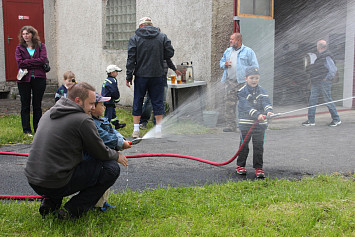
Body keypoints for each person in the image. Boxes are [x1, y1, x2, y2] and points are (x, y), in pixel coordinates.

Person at [24, 82, 128, 219]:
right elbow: (100, 152)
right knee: (110, 168)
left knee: (64, 162)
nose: (92, 108)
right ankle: (72, 210)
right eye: (91, 103)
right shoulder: (82, 120)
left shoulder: (49, 113)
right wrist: (116, 155)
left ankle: (50, 203)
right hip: (55, 182)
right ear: (78, 100)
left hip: (33, 179)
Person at [126, 17, 174, 138]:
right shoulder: (162, 37)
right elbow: (170, 53)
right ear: (151, 25)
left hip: (141, 75)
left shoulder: (135, 38)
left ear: (141, 26)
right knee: (158, 101)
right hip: (157, 74)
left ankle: (136, 130)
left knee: (138, 99)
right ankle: (158, 130)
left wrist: (128, 76)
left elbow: (131, 59)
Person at [83, 93, 131, 212]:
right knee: (103, 178)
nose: (104, 107)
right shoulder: (91, 123)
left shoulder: (102, 120)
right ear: (92, 108)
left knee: (106, 181)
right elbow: (105, 137)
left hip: (105, 156)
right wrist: (120, 143)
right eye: (102, 105)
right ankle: (98, 205)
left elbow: (113, 131)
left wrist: (122, 139)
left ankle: (103, 202)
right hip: (96, 158)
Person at [236, 67, 273, 178]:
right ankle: (240, 165)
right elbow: (246, 106)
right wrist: (257, 115)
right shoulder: (241, 92)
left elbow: (266, 103)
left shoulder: (263, 91)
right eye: (251, 78)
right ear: (246, 78)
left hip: (260, 125)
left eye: (256, 78)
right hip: (246, 123)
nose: (254, 80)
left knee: (258, 146)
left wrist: (269, 111)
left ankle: (259, 168)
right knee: (244, 145)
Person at [220, 33, 259, 132]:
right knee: (229, 104)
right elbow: (221, 62)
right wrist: (224, 64)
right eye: (230, 39)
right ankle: (230, 125)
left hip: (243, 83)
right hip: (230, 82)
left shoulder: (248, 52)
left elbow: (254, 66)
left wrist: (251, 80)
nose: (230, 41)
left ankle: (246, 125)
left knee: (246, 104)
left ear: (238, 40)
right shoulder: (228, 51)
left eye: (232, 39)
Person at [15, 25, 48, 134]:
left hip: (39, 78)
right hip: (24, 79)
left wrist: (27, 62)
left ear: (32, 35)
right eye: (23, 34)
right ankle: (26, 130)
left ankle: (37, 129)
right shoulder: (19, 48)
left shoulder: (40, 46)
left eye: (28, 33)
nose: (25, 36)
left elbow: (43, 60)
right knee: (25, 105)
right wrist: (35, 62)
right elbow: (20, 63)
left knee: (37, 105)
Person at [302, 40, 341, 127]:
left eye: (317, 46)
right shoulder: (321, 56)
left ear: (319, 46)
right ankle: (311, 120)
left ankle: (336, 119)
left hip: (324, 82)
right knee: (312, 100)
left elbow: (333, 70)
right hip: (317, 82)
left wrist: (326, 79)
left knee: (328, 100)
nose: (316, 47)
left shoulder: (326, 56)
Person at [139, 58, 181, 129]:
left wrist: (175, 70)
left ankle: (157, 124)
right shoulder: (152, 51)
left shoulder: (165, 51)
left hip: (163, 79)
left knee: (161, 102)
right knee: (149, 101)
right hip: (152, 78)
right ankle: (143, 122)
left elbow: (168, 60)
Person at [102, 65, 126, 129]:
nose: (117, 73)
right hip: (109, 101)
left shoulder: (108, 80)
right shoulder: (112, 81)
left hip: (107, 100)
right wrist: (117, 99)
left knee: (112, 113)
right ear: (112, 73)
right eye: (116, 72)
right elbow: (114, 91)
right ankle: (105, 127)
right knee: (108, 115)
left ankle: (116, 124)